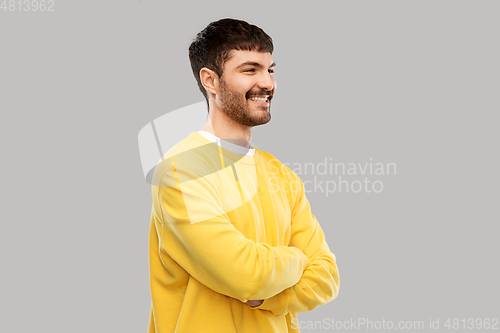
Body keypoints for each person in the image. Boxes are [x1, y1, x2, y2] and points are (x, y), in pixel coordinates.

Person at [147, 18, 340, 333]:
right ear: (210, 80)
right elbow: (247, 274)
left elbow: (327, 277)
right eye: (250, 70)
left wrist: (265, 297)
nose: (267, 83)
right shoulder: (181, 171)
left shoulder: (281, 174)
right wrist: (296, 258)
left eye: (270, 69)